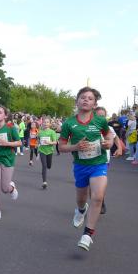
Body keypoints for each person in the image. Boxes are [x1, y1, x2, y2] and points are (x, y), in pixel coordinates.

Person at [58, 87, 115, 251]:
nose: (86, 100)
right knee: (81, 199)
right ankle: (81, 210)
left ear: (94, 104)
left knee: (97, 197)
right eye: (83, 97)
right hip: (81, 166)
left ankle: (87, 234)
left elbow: (109, 136)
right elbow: (61, 147)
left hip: (99, 164)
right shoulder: (69, 123)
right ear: (77, 101)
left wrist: (109, 143)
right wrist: (75, 147)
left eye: (90, 98)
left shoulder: (100, 121)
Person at [0, 106, 21, 220]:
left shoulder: (10, 128)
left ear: (5, 115)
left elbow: (19, 143)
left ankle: (11, 188)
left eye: (0, 112)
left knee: (4, 189)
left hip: (7, 159)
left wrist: (7, 143)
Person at [37, 118, 58, 189]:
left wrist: (49, 142)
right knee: (44, 166)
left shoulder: (52, 132)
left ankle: (48, 167)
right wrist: (37, 144)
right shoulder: (40, 132)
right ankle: (44, 182)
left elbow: (55, 142)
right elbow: (38, 140)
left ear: (49, 124)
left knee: (49, 166)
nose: (46, 123)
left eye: (47, 122)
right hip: (42, 150)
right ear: (42, 123)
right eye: (44, 122)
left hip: (49, 151)